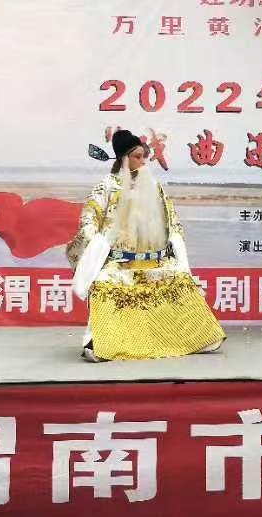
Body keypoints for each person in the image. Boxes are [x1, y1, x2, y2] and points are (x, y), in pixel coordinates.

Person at [67, 129, 225, 362]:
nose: (143, 162)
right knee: (104, 283)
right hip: (119, 261)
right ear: (124, 158)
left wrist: (174, 242)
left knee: (177, 277)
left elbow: (171, 219)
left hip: (155, 258)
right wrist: (100, 245)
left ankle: (196, 337)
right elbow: (88, 220)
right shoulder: (106, 187)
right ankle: (100, 342)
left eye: (144, 157)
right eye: (137, 157)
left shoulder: (154, 186)